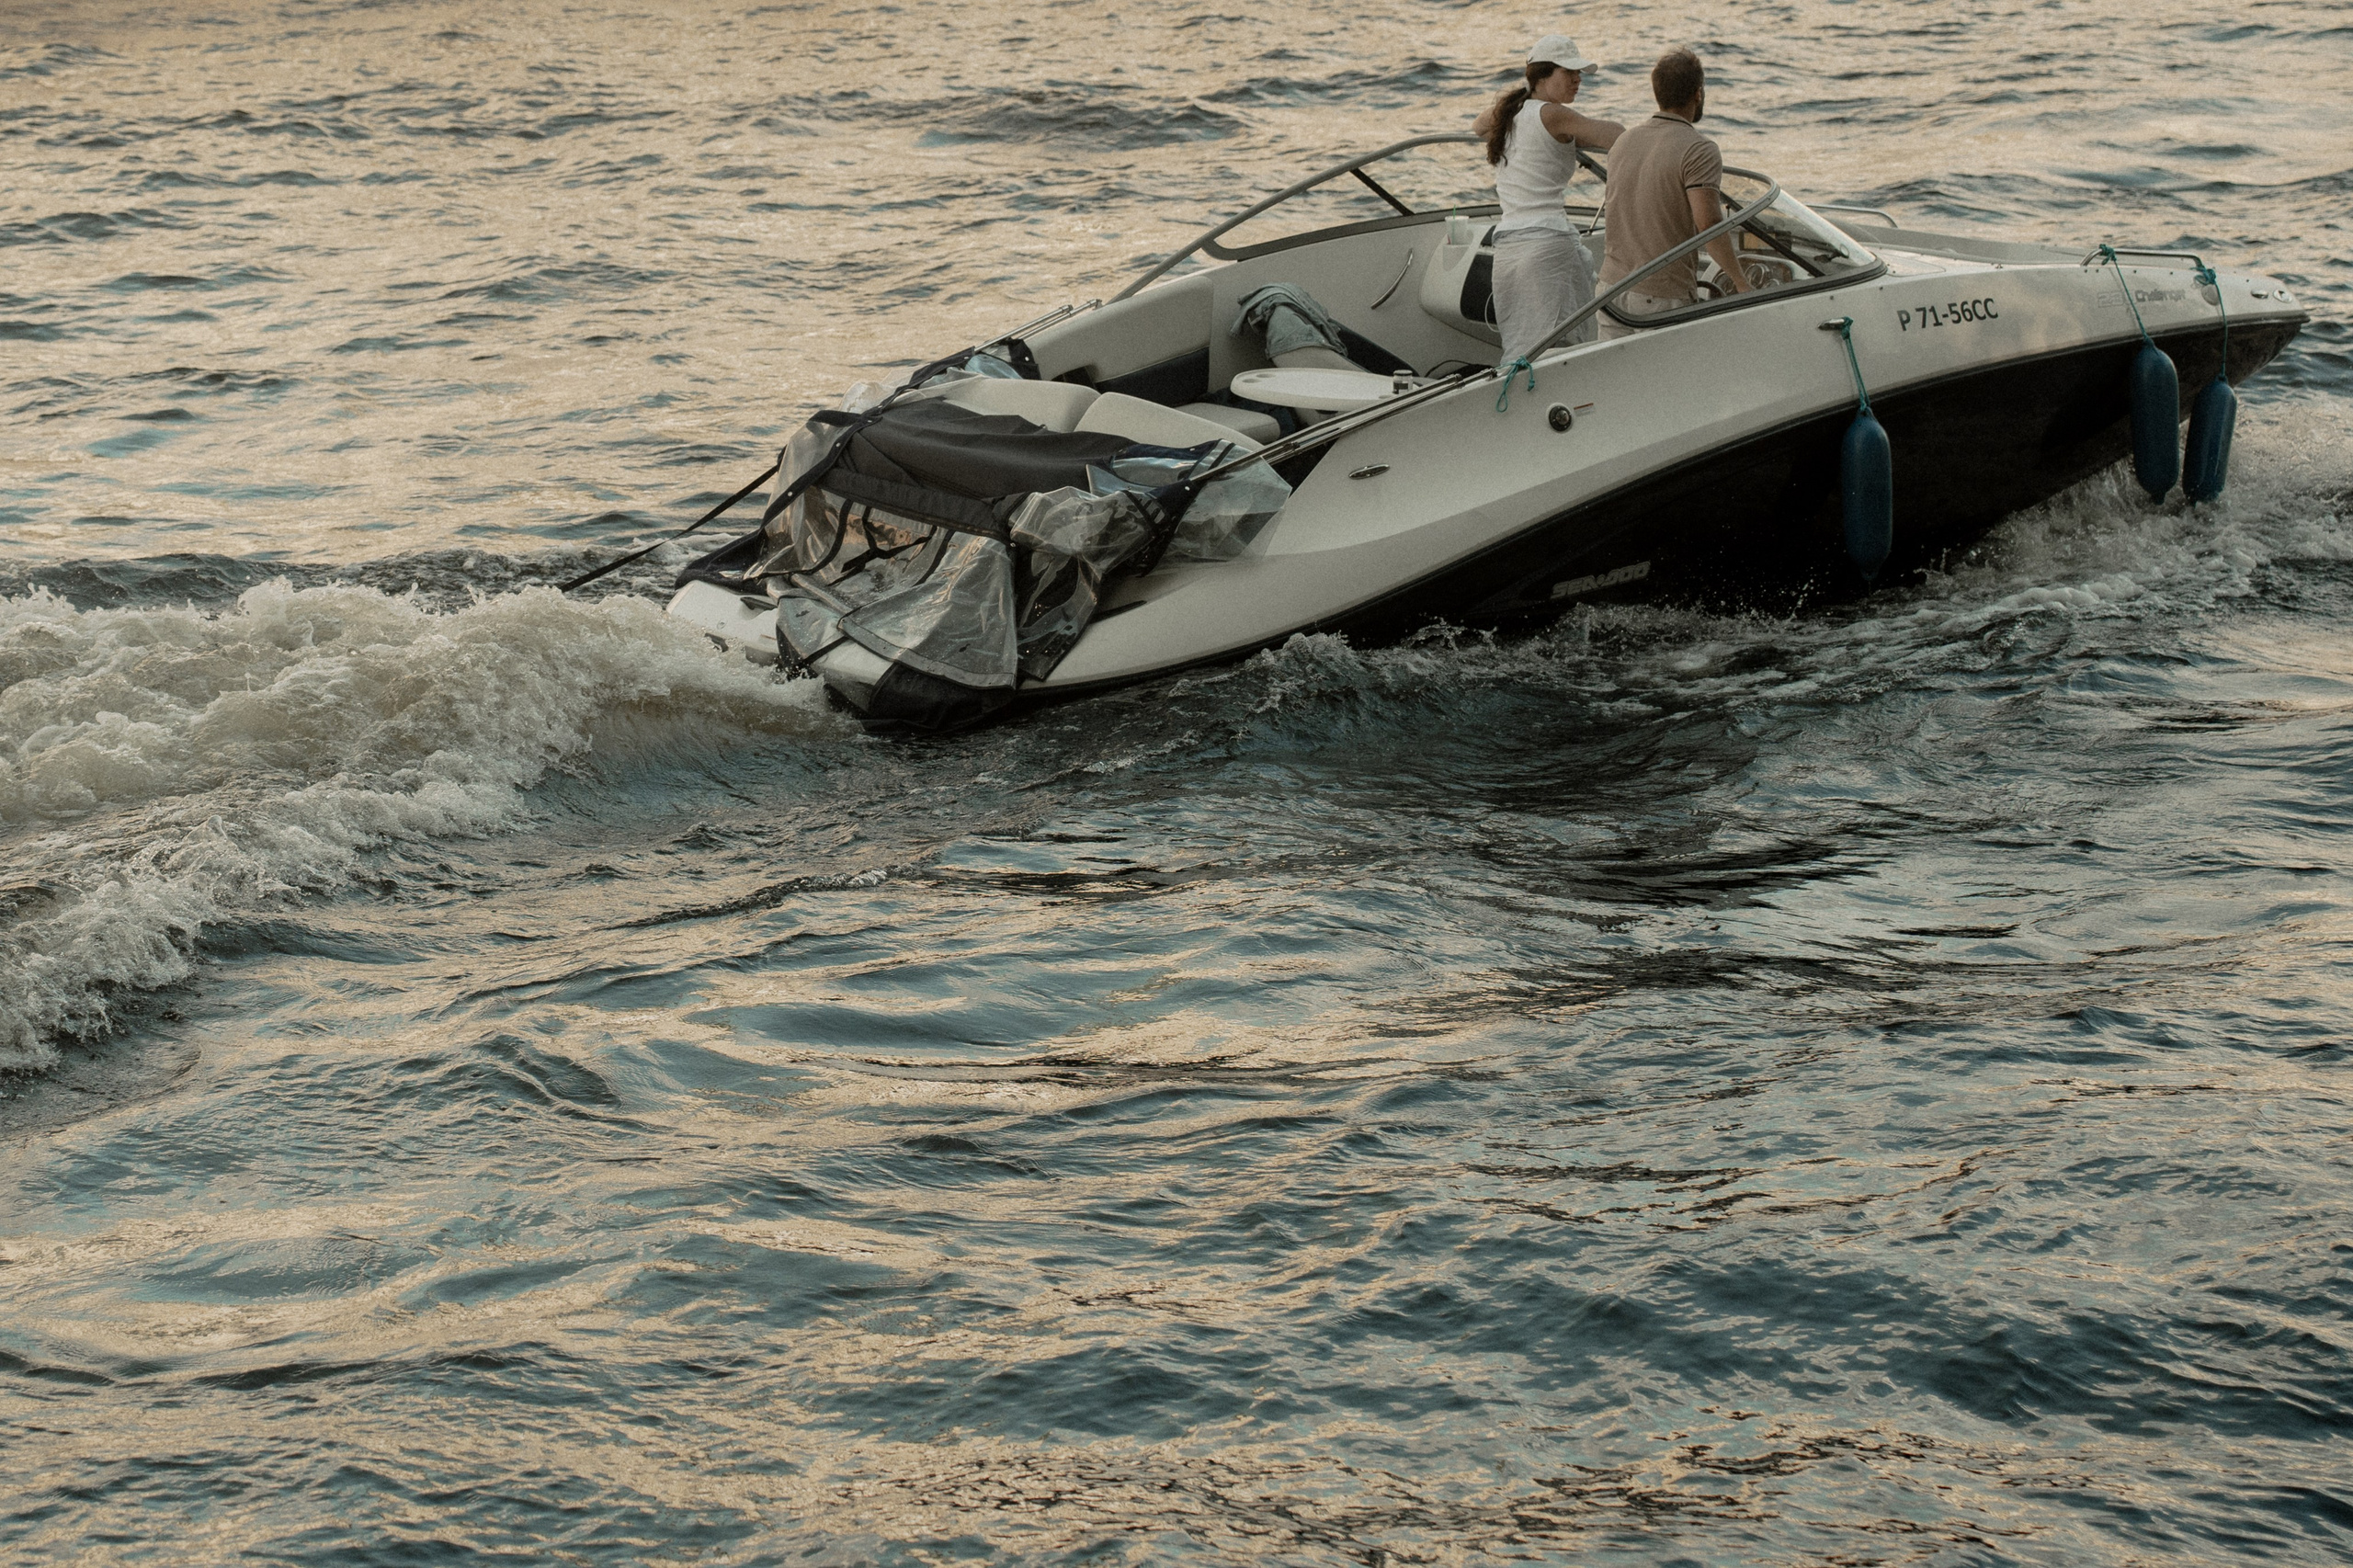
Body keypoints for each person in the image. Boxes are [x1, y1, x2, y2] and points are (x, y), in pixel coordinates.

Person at [1471, 34, 1621, 365]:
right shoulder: (1554, 115)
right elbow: (1615, 136)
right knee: (1557, 355)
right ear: (1542, 75)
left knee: (1520, 354)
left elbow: (1478, 125)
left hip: (1508, 249)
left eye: (1579, 73)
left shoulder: (1513, 113)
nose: (1578, 79)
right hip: (1546, 247)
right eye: (1569, 72)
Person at [1596, 48, 1750, 342]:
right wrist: (1741, 283)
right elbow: (1709, 224)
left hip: (1610, 290)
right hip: (1660, 296)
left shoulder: (1624, 141)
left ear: (1658, 93)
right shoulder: (1699, 149)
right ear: (1698, 93)